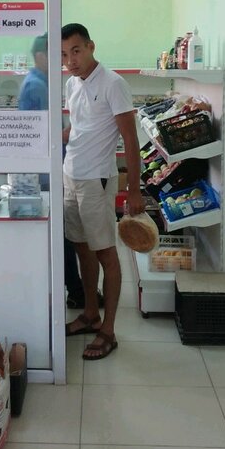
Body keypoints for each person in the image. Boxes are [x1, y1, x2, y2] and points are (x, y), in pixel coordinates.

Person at [61, 23, 144, 360]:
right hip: (71, 176)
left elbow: (130, 139)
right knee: (82, 249)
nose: (71, 60)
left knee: (106, 253)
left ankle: (108, 331)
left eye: (76, 51)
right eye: (65, 55)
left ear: (91, 46)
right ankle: (90, 314)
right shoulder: (71, 84)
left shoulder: (113, 84)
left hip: (97, 180)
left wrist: (134, 191)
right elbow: (78, 129)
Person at [16, 35, 90, 310]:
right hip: (46, 173)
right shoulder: (36, 86)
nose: (63, 60)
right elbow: (35, 136)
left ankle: (76, 289)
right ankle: (76, 290)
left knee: (64, 233)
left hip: (53, 167)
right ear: (40, 57)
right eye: (57, 54)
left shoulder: (45, 82)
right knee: (63, 235)